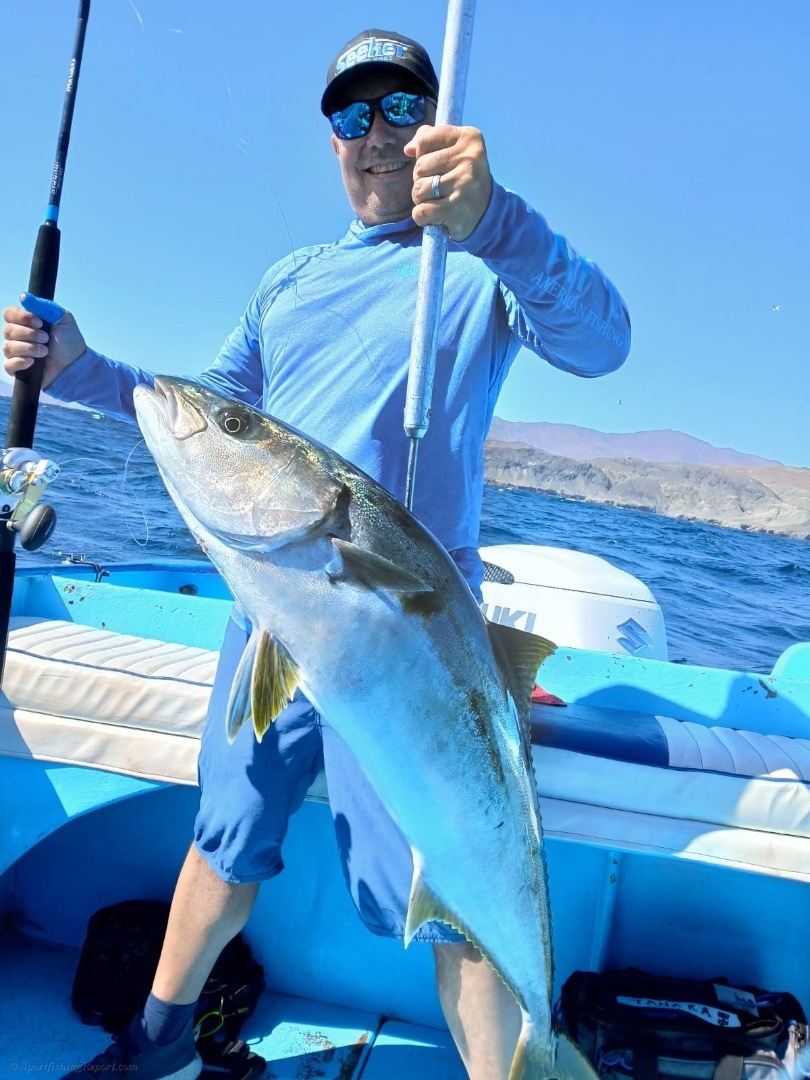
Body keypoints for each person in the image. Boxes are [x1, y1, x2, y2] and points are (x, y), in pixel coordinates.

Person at [3, 27, 630, 1080]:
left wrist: (496, 222)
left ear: (436, 125)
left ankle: (516, 1063)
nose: (376, 134)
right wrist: (76, 367)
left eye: (400, 109)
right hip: (274, 609)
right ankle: (159, 1034)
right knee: (225, 834)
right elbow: (209, 419)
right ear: (330, 139)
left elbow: (602, 341)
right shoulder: (288, 282)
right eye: (352, 114)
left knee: (446, 892)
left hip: (414, 637)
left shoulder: (469, 270)